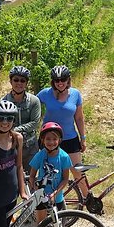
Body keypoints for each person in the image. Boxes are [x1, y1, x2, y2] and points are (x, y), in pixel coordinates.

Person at [36, 65, 89, 196]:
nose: (60, 83)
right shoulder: (45, 93)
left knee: (77, 172)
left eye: (63, 79)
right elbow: (30, 104)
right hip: (48, 139)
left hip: (70, 138)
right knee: (49, 173)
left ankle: (88, 198)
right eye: (56, 80)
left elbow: (79, 117)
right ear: (53, 81)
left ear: (68, 80)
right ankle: (48, 202)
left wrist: (83, 138)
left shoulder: (76, 94)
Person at [28, 122, 72, 227]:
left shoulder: (64, 156)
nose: (51, 142)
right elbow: (32, 176)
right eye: (48, 139)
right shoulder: (40, 155)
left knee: (58, 226)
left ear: (59, 140)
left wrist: (55, 193)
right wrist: (34, 188)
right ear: (42, 140)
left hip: (56, 198)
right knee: (40, 225)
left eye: (54, 139)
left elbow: (65, 178)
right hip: (41, 197)